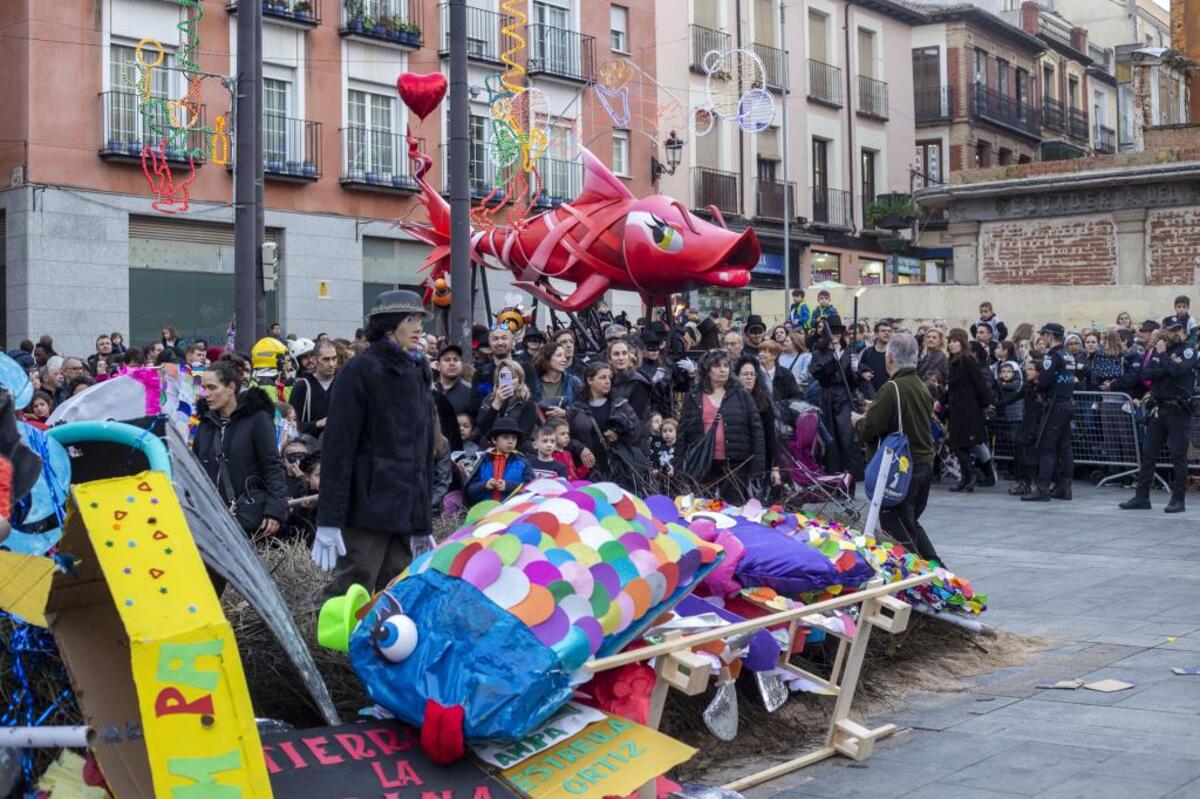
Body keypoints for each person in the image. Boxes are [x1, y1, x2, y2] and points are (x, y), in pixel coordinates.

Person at [313, 289, 435, 597]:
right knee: (352, 589)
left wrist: (422, 523)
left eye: (421, 318)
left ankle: (379, 646)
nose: (419, 327)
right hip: (365, 508)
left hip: (404, 509)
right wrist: (329, 519)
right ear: (389, 324)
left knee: (396, 592)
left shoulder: (418, 370)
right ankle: (334, 647)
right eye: (411, 318)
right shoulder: (361, 370)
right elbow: (338, 448)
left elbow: (422, 453)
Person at [192, 360, 289, 590]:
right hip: (213, 519)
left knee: (254, 588)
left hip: (247, 517)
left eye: (212, 387)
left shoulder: (257, 420)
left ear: (231, 388)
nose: (206, 394)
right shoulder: (206, 423)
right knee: (207, 585)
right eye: (204, 388)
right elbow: (197, 469)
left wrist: (275, 510)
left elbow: (272, 467)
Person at [852, 334, 942, 563]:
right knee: (909, 523)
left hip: (902, 469)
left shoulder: (892, 387)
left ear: (890, 357)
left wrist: (857, 420)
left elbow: (869, 429)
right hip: (923, 464)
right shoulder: (919, 385)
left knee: (896, 528)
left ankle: (922, 576)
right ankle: (938, 570)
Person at [1119, 315, 1196, 513]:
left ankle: (1178, 500)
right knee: (1148, 453)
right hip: (1158, 408)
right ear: (1164, 332)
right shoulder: (1157, 351)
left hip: (1178, 410)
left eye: (1178, 329)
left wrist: (1163, 361)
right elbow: (1145, 374)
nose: (1176, 332)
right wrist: (1166, 367)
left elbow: (1180, 370)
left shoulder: (1187, 350)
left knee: (1178, 455)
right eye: (1171, 329)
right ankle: (1142, 497)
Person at [675, 350, 765, 503]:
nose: (723, 369)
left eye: (726, 365)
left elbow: (756, 430)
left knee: (734, 508)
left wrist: (758, 466)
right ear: (707, 370)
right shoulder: (694, 396)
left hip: (736, 464)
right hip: (703, 462)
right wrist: (678, 464)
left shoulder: (741, 394)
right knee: (703, 507)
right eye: (717, 366)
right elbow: (683, 432)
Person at [568, 361, 648, 491]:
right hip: (588, 471)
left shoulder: (619, 404)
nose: (607, 381)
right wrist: (580, 449)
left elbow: (638, 432)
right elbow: (565, 437)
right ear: (589, 380)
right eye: (602, 377)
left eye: (609, 378)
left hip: (617, 470)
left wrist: (619, 435)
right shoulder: (576, 409)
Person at [1023, 323, 1075, 502]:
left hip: (1055, 405)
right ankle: (1064, 488)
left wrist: (1037, 386)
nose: (1042, 337)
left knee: (1046, 447)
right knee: (1064, 447)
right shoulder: (1068, 355)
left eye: (1044, 334)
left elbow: (1044, 381)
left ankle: (1043, 488)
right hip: (1067, 403)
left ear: (1051, 336)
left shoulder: (1052, 357)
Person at [808, 315, 858, 481]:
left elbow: (852, 382)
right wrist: (833, 361)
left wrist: (856, 369)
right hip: (826, 398)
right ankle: (832, 480)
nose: (836, 335)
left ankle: (848, 481)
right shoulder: (819, 352)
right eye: (833, 331)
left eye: (839, 332)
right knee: (830, 441)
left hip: (844, 398)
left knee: (847, 439)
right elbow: (818, 374)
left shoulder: (848, 351)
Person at [945, 328, 993, 492]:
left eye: (955, 341)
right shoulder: (954, 362)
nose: (952, 344)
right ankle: (967, 477)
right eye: (950, 341)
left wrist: (987, 402)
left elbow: (979, 382)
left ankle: (970, 475)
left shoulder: (967, 360)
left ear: (963, 343)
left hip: (968, 409)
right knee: (959, 445)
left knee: (960, 444)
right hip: (958, 409)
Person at [735, 356, 781, 490]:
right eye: (745, 374)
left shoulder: (763, 402)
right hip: (738, 457)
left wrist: (775, 467)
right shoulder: (731, 400)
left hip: (760, 457)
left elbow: (771, 434)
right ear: (738, 377)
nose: (749, 377)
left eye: (752, 374)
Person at [464, 417, 535, 503]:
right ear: (494, 440)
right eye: (506, 437)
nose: (511, 441)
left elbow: (532, 488)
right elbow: (470, 491)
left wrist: (508, 486)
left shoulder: (522, 463)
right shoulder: (484, 462)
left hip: (512, 511)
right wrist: (485, 485)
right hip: (485, 512)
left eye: (514, 438)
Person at [475, 359, 539, 447]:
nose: (509, 381)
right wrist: (496, 404)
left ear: (520, 380)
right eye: (503, 377)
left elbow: (523, 435)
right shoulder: (488, 400)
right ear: (497, 380)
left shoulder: (527, 403)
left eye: (513, 377)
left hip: (516, 450)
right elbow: (482, 430)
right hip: (490, 448)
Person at [288, 340, 338, 437]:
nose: (331, 364)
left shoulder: (343, 384)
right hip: (310, 447)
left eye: (334, 358)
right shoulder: (302, 387)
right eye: (326, 359)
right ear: (315, 360)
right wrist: (317, 424)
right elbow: (291, 425)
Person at [608, 338, 652, 421]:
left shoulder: (638, 382)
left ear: (629, 356)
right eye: (616, 354)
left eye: (624, 353)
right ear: (610, 359)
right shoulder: (608, 380)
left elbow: (636, 417)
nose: (621, 358)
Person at [433, 343, 472, 416]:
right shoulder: (429, 391)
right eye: (447, 360)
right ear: (438, 366)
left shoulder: (470, 392)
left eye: (456, 359)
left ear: (461, 365)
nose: (452, 363)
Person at [857, 320, 892, 394]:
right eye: (883, 331)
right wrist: (862, 374)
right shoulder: (868, 353)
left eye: (889, 331)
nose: (887, 333)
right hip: (872, 396)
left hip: (889, 395)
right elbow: (859, 369)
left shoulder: (894, 353)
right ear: (876, 334)